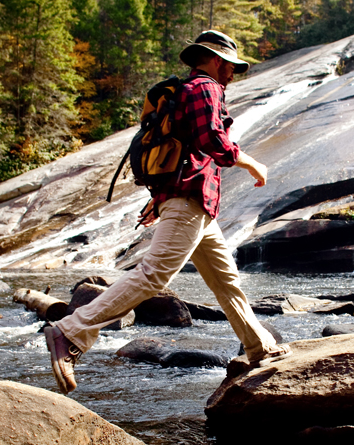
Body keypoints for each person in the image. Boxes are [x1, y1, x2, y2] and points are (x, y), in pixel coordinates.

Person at [45, 29, 291, 394]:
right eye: (232, 67)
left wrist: (160, 200)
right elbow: (213, 140)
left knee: (227, 282)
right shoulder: (205, 86)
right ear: (218, 61)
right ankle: (69, 331)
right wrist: (253, 164)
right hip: (190, 201)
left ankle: (259, 348)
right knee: (152, 276)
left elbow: (184, 151)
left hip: (193, 203)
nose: (233, 75)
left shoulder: (183, 92)